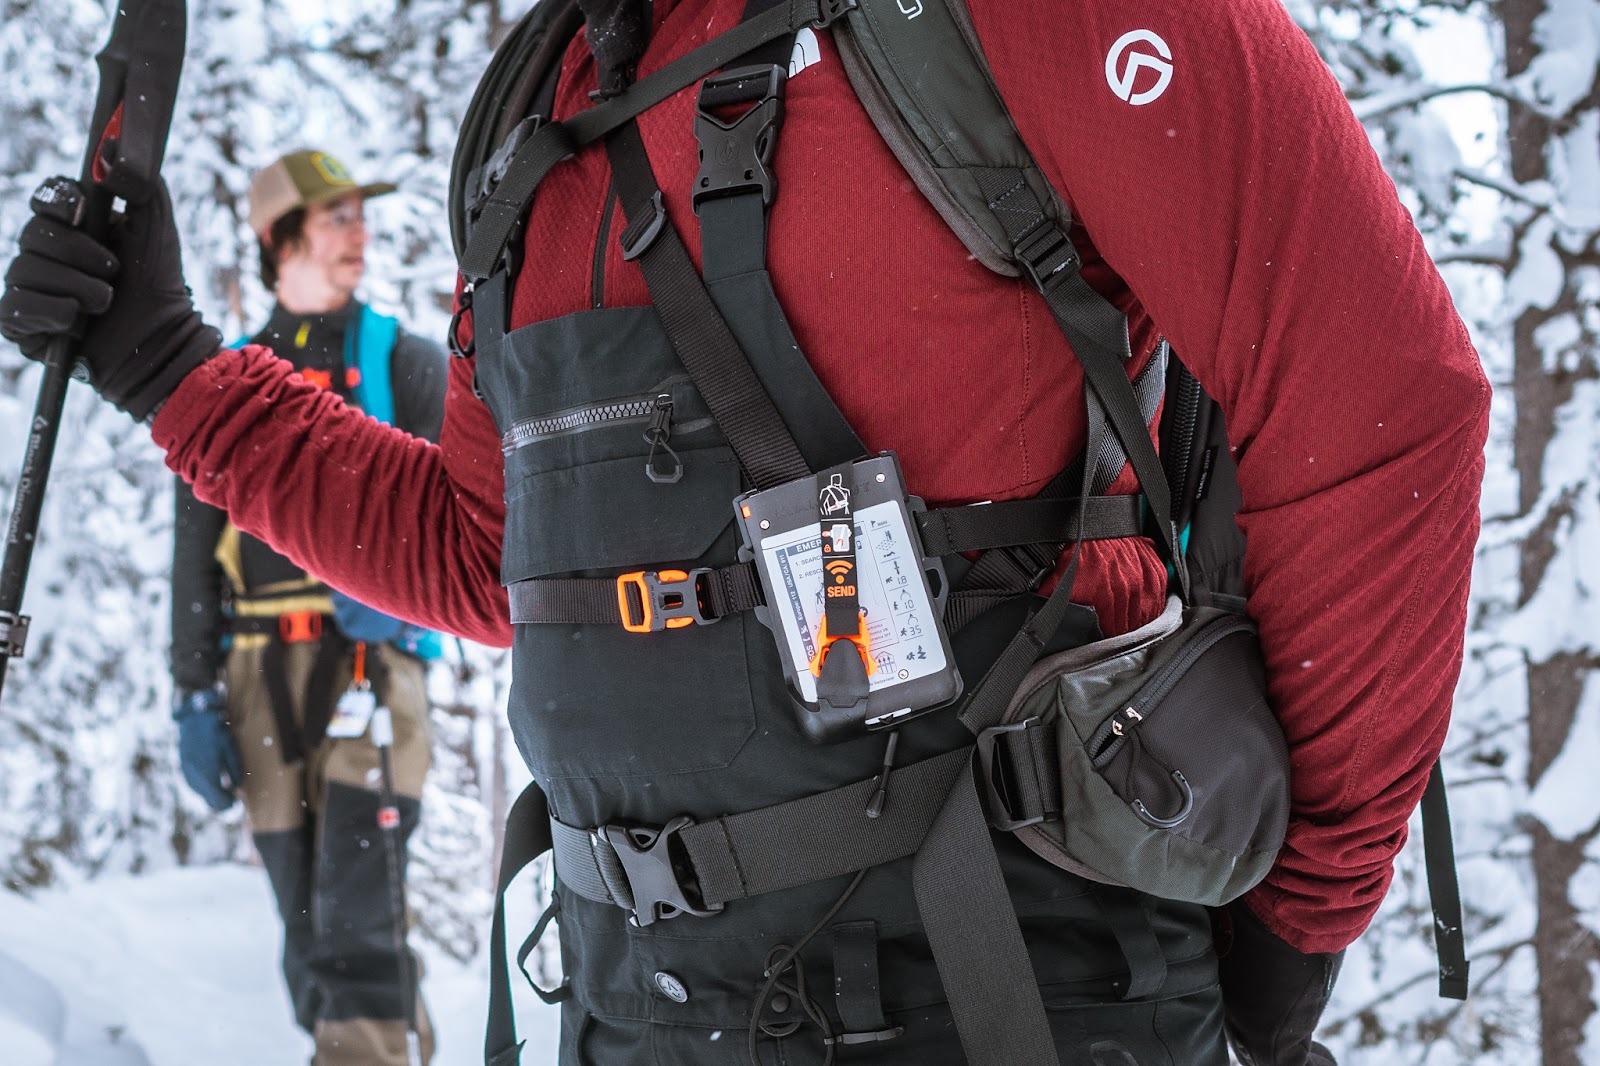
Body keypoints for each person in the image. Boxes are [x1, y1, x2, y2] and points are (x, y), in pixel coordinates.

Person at [1, 2, 1490, 1064]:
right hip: (630, 1005)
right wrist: (168, 366)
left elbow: (1385, 408)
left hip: (1011, 994)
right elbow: (486, 550)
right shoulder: (543, 105)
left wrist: (1295, 925)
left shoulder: (1024, 23)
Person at [168, 149, 448, 1066]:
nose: (358, 233)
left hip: (375, 664)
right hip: (257, 676)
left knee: (358, 903)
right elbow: (193, 553)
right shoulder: (233, 379)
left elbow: (468, 516)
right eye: (336, 217)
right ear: (279, 239)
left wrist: (402, 602)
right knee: (302, 915)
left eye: (360, 215)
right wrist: (192, 691)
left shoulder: (402, 362)